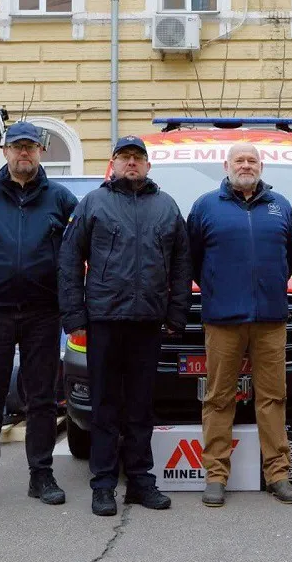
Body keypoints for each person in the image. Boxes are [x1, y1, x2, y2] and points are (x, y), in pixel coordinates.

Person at [59, 136, 192, 517]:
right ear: (113, 164)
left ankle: (139, 481)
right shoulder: (93, 204)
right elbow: (69, 261)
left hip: (148, 322)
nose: (131, 164)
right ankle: (103, 485)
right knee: (104, 406)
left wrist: (176, 314)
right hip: (103, 321)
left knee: (140, 407)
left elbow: (183, 265)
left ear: (148, 166)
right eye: (124, 158)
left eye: (138, 158)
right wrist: (74, 317)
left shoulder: (166, 207)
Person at [0, 122, 78, 510]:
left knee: (41, 399)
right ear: (5, 152)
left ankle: (41, 476)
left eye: (31, 147)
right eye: (17, 147)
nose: (24, 153)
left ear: (40, 153)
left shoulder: (62, 199)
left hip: (43, 312)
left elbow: (75, 257)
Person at [187, 143, 292, 507]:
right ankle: (216, 476)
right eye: (240, 160)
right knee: (219, 398)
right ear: (226, 165)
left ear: (261, 166)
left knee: (273, 398)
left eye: (252, 160)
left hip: (270, 319)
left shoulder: (280, 206)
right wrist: (220, 290)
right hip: (223, 320)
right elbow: (193, 259)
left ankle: (278, 474)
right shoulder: (206, 207)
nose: (246, 165)